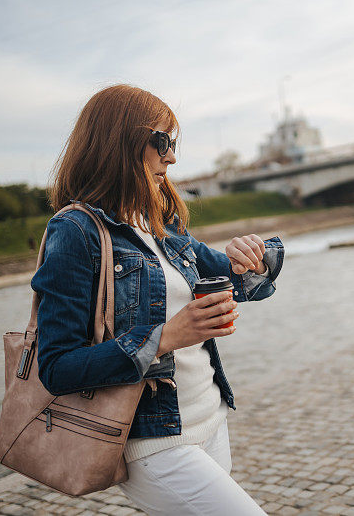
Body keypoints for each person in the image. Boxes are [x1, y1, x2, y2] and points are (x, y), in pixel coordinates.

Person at [30, 84, 284, 515]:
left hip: (209, 419)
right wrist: (166, 337)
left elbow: (231, 274)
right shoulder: (75, 231)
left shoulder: (159, 222)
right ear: (121, 142)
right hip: (153, 440)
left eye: (173, 143)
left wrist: (253, 258)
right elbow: (56, 368)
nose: (171, 156)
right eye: (162, 142)